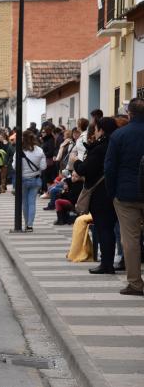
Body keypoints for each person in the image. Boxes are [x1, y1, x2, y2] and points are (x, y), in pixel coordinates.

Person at [105, 98, 144, 294]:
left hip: (126, 193)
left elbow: (110, 167)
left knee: (130, 240)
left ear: (130, 113)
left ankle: (135, 283)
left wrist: (112, 192)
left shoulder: (120, 135)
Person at [73, 117, 118, 275]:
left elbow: (85, 169)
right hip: (113, 192)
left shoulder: (101, 148)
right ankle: (110, 262)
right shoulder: (114, 144)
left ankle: (107, 264)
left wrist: (76, 162)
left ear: (101, 130)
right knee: (110, 229)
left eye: (96, 129)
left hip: (100, 194)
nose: (95, 133)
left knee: (103, 228)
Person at [13, 131, 46, 232]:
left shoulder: (19, 151)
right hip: (35, 179)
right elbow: (43, 166)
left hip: (23, 180)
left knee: (24, 203)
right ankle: (30, 225)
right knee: (32, 202)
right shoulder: (39, 151)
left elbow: (15, 166)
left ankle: (26, 222)